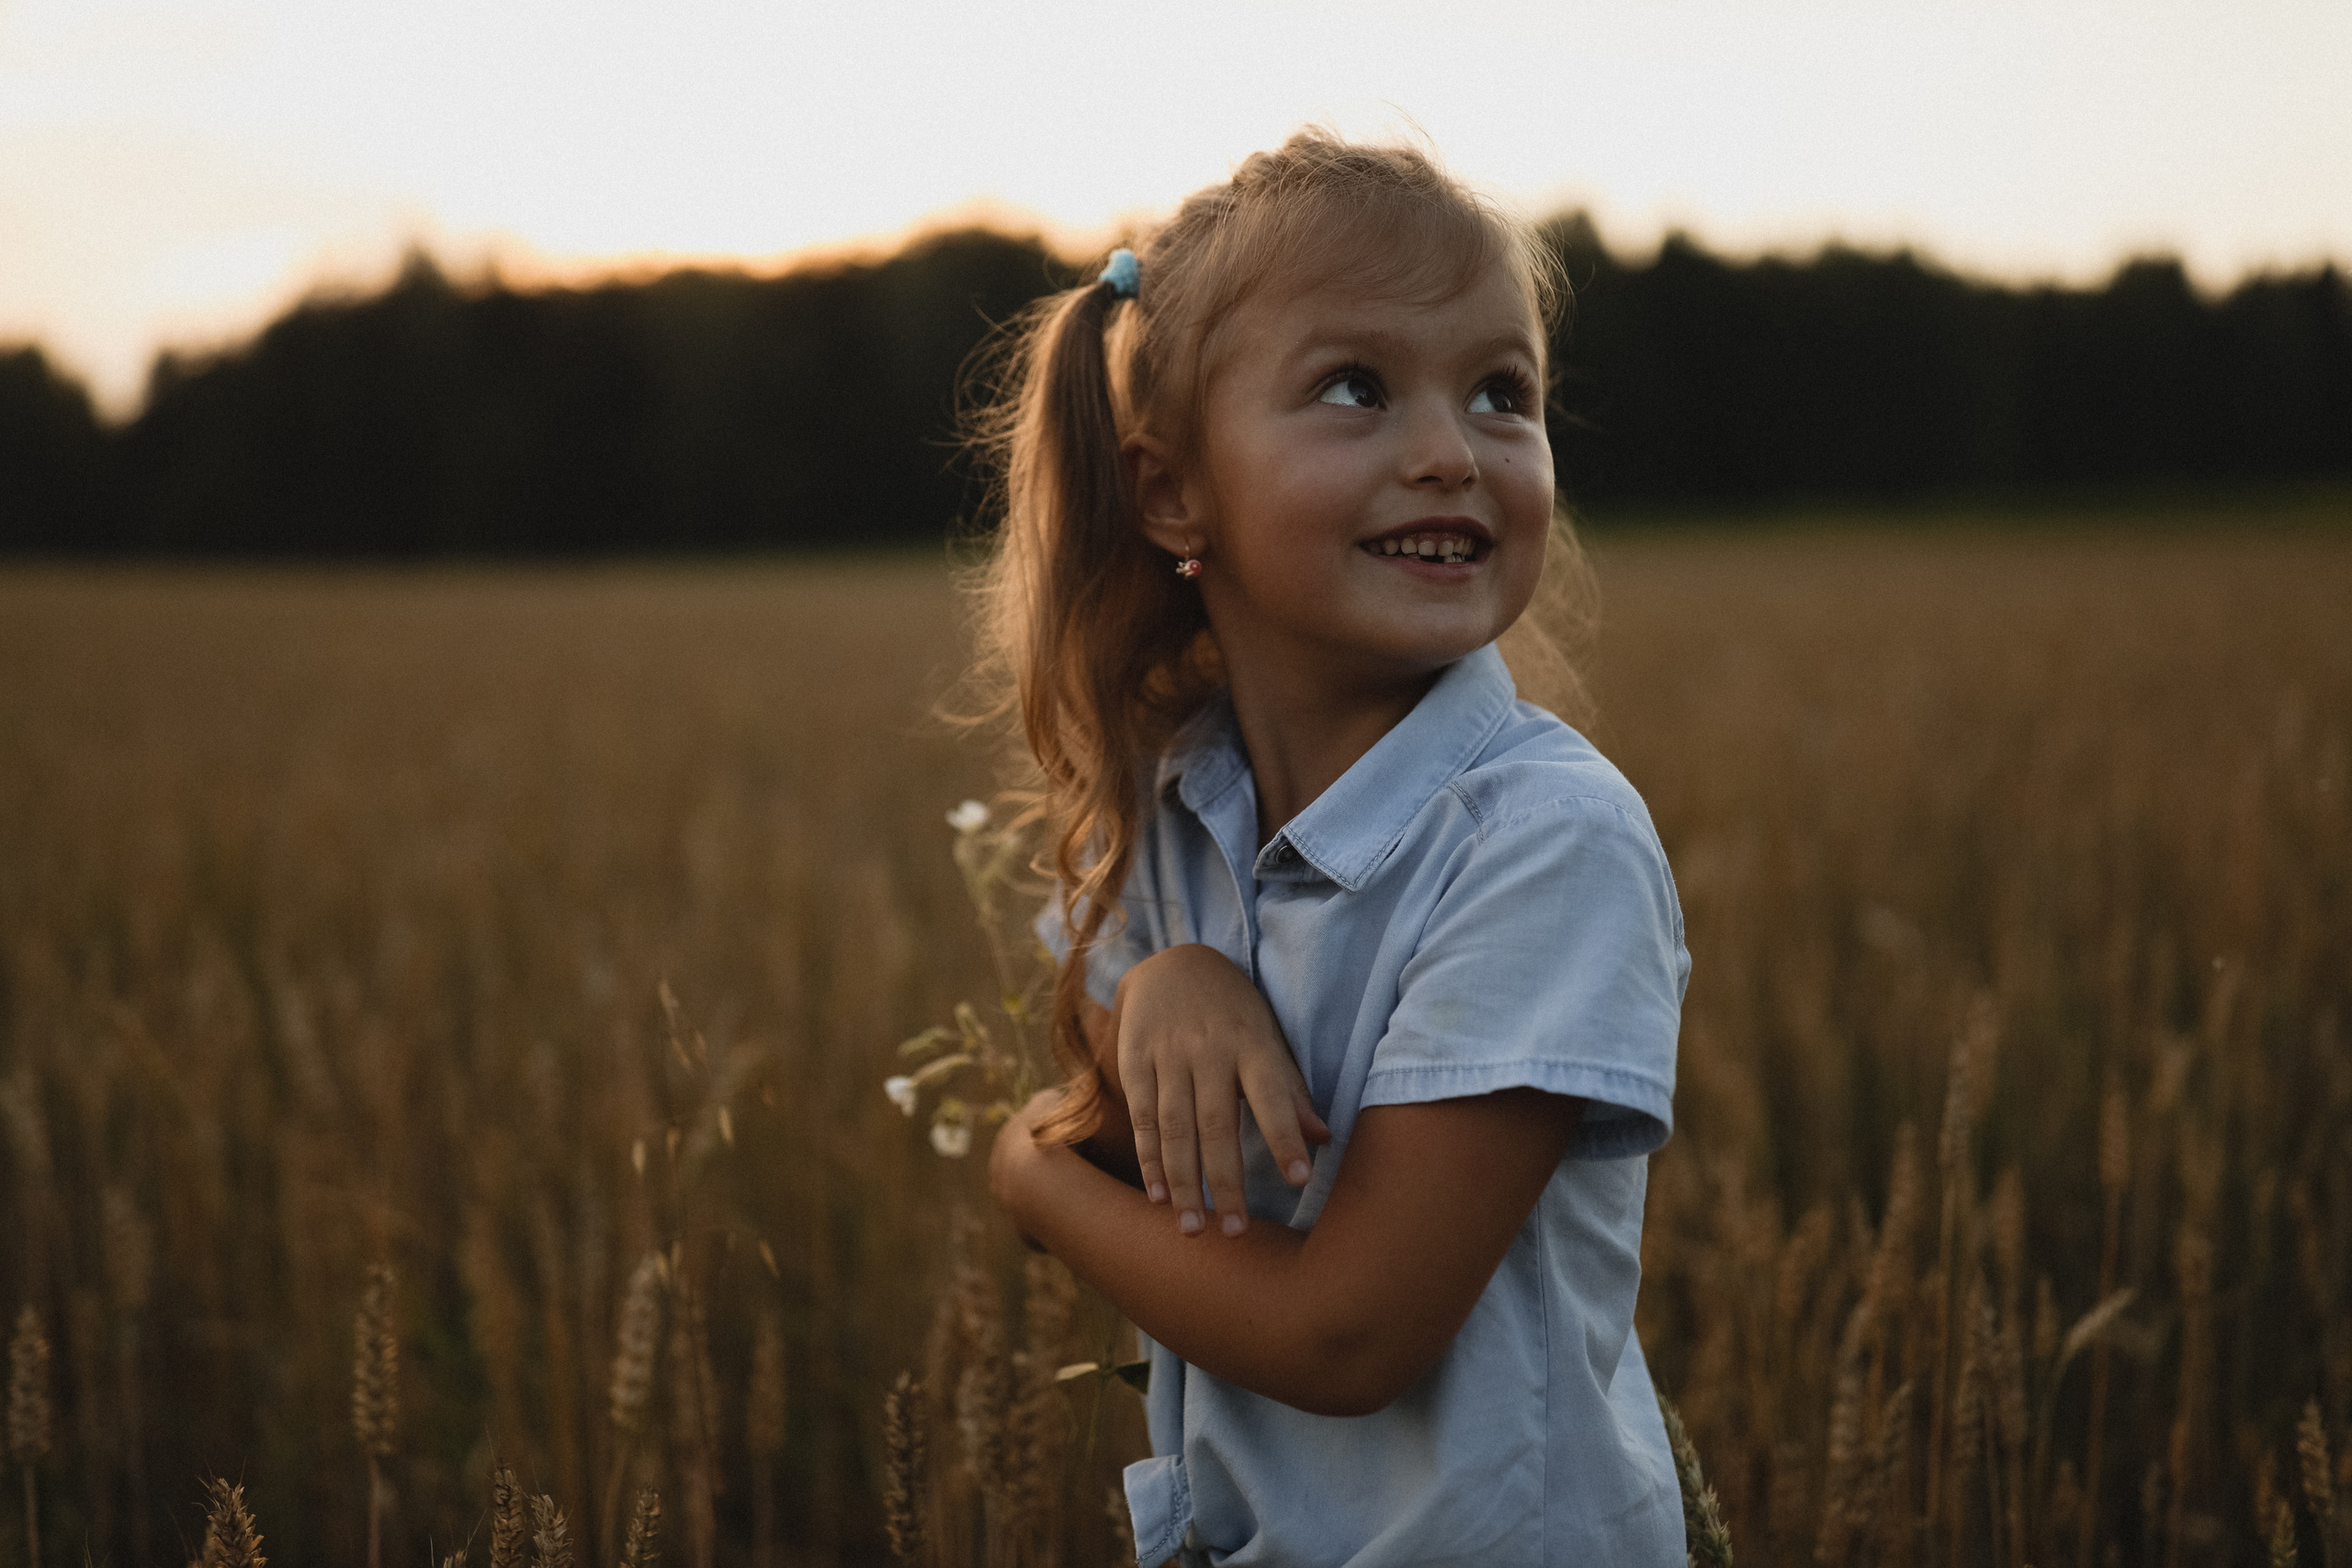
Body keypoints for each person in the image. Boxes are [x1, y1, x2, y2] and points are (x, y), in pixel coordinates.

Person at [971, 130, 1690, 1567]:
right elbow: (1126, 1130)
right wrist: (1167, 980)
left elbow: (1346, 1334)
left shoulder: (1545, 841)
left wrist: (1020, 1171)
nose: (1451, 452)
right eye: (1356, 387)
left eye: (1502, 394)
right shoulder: (1171, 808)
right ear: (1173, 494)